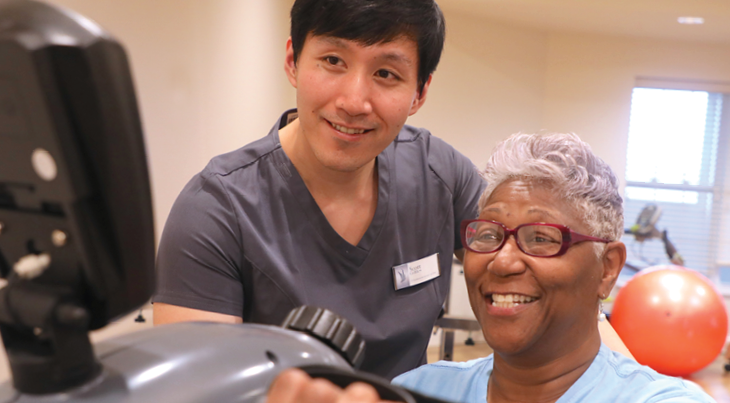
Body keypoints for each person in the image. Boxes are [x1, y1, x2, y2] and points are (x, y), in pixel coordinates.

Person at [256, 133, 730, 403]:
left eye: (542, 238)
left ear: (607, 267)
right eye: (488, 234)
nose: (502, 262)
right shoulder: (417, 395)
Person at [152, 0, 483, 379]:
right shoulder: (215, 210)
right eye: (333, 61)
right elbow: (196, 396)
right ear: (293, 61)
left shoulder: (440, 175)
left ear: (420, 93)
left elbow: (522, 271)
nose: (353, 102)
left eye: (387, 73)